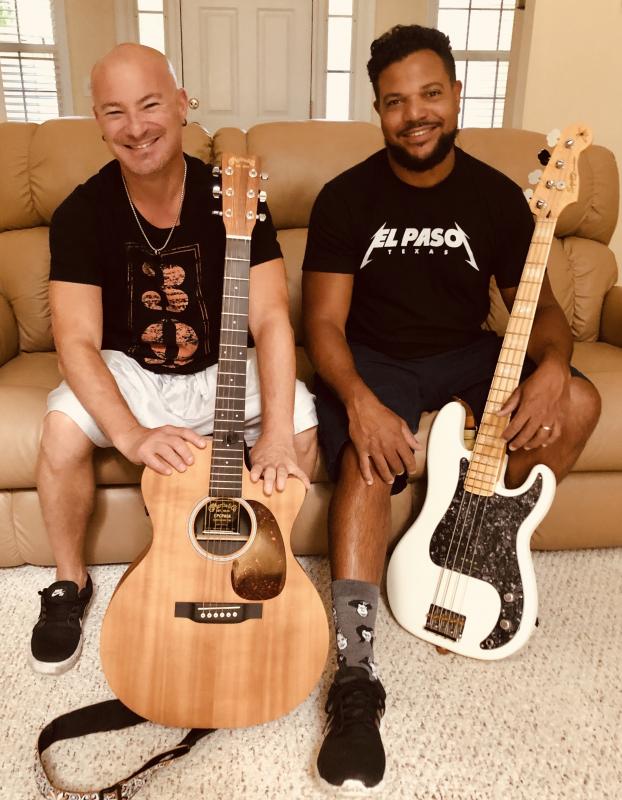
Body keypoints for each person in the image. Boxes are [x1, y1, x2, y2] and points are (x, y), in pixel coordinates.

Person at [302, 24, 601, 792]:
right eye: (396, 101)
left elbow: (542, 308)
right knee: (366, 461)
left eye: (430, 94)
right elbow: (323, 325)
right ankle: (355, 675)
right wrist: (359, 401)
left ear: (457, 96)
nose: (416, 114)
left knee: (579, 400)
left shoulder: (498, 198)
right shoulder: (345, 198)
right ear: (378, 110)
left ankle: (483, 554)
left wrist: (552, 366)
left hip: (468, 353)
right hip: (377, 358)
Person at [30, 43, 318, 676]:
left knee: (300, 422)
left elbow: (272, 319)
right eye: (115, 112)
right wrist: (131, 435)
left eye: (151, 104)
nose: (136, 127)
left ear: (184, 104)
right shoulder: (80, 212)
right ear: (98, 122)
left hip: (223, 368)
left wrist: (274, 433)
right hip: (131, 371)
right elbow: (75, 343)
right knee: (60, 430)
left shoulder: (235, 195)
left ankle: (260, 566)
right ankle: (69, 583)